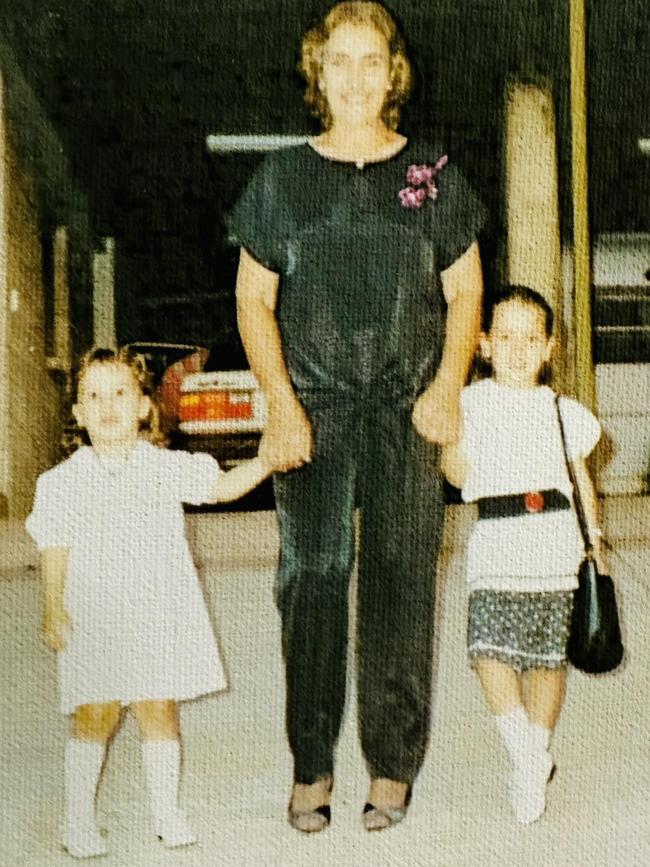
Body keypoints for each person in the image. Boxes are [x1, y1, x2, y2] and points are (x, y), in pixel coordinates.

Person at [228, 1, 486, 832]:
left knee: (402, 583)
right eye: (339, 60)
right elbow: (253, 297)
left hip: (408, 409)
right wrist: (281, 403)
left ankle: (392, 763)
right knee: (312, 574)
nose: (354, 77)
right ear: (318, 73)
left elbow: (466, 288)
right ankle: (310, 761)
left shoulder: (433, 173)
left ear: (393, 73)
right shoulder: (280, 179)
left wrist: (447, 384)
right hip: (316, 411)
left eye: (371, 60)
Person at [26, 347, 271, 859]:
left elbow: (222, 487)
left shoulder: (164, 467)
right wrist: (53, 605)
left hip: (159, 612)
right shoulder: (62, 483)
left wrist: (267, 459)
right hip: (94, 615)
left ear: (143, 407)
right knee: (95, 712)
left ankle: (166, 811)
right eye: (93, 396)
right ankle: (77, 818)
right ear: (78, 414)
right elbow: (54, 546)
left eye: (120, 393)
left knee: (158, 709)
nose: (107, 404)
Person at [441, 286, 604, 825]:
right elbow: (457, 475)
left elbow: (580, 478)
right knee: (488, 651)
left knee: (545, 661)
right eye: (504, 337)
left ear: (548, 348)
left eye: (529, 338)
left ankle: (535, 752)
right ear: (484, 344)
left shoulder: (564, 412)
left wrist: (595, 539)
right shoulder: (468, 402)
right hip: (496, 542)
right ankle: (524, 752)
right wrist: (454, 439)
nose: (517, 349)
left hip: (554, 544)